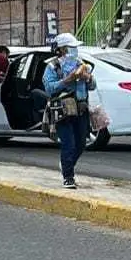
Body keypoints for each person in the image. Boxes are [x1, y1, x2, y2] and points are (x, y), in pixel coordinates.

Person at [43, 33, 96, 189]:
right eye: (71, 48)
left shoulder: (81, 64)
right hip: (62, 110)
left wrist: (88, 78)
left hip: (81, 108)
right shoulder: (53, 67)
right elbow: (49, 88)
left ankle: (67, 164)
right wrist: (68, 80)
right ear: (62, 49)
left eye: (75, 48)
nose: (74, 51)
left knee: (81, 143)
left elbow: (93, 86)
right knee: (69, 143)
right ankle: (68, 177)